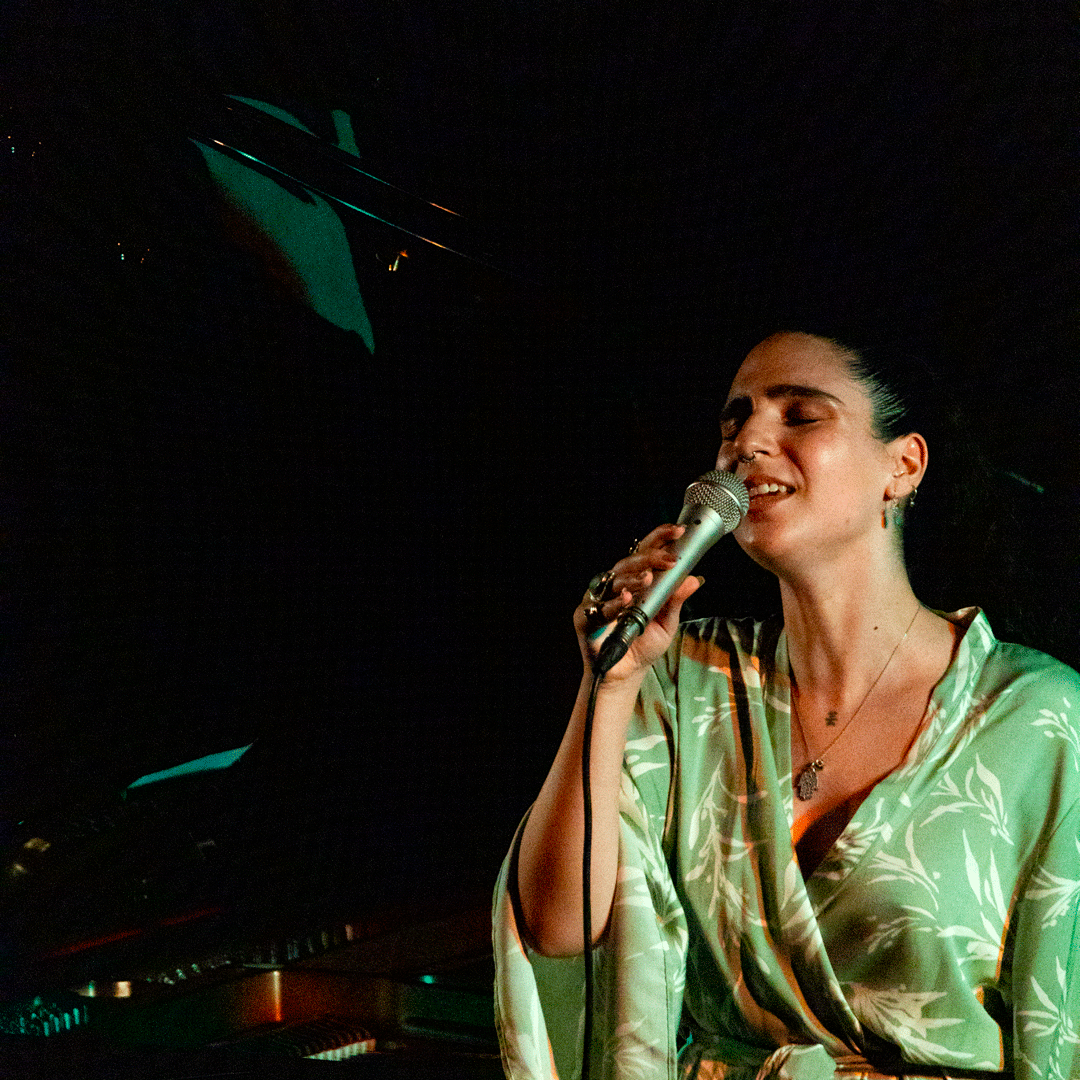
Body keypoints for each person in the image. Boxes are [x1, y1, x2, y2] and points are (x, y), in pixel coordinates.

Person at [493, 331, 1080, 1080]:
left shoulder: (1037, 719)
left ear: (901, 467)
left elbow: (1062, 1027)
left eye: (800, 415)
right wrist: (607, 684)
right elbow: (556, 925)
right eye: (734, 420)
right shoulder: (684, 681)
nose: (748, 442)